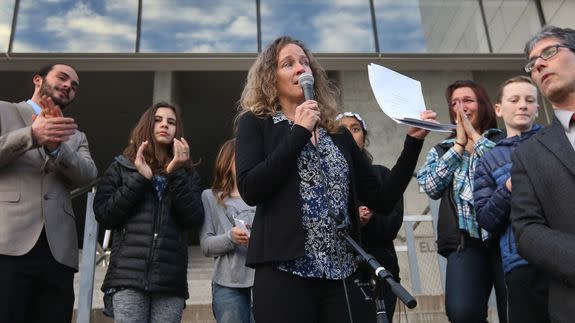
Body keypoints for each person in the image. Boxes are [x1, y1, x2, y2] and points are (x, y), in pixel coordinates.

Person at [235, 35, 435, 323]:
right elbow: (251, 188)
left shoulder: (338, 135)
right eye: (288, 64)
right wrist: (300, 132)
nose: (300, 68)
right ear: (270, 77)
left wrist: (413, 143)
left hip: (342, 273)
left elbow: (383, 197)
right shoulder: (256, 124)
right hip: (284, 272)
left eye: (305, 62)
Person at [0, 63, 97, 322]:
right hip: (8, 244)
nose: (68, 86)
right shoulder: (4, 111)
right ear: (37, 80)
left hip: (57, 252)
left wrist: (57, 149)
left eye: (74, 86)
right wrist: (31, 135)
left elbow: (88, 175)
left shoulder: (76, 136)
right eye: (63, 78)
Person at [93, 102, 204, 323]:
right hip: (127, 276)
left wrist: (175, 172)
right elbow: (105, 214)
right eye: (158, 120)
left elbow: (193, 218)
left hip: (169, 280)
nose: (165, 125)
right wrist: (139, 178)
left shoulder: (187, 174)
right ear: (146, 125)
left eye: (171, 122)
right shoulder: (122, 167)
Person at [417, 80, 507, 323]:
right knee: (462, 313)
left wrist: (475, 138)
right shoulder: (441, 149)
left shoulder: (502, 141)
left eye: (467, 100)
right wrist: (458, 146)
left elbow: (506, 170)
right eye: (454, 103)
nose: (460, 107)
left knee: (515, 311)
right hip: (464, 242)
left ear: (483, 105)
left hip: (505, 240)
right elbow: (429, 186)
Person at [511, 25, 575, 323]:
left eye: (549, 52)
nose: (538, 64)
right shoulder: (529, 153)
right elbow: (527, 230)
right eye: (532, 63)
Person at [474, 76, 549, 323]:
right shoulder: (488, 160)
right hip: (520, 261)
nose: (522, 105)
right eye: (514, 100)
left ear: (538, 107)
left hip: (567, 255)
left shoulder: (556, 142)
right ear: (498, 108)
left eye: (530, 100)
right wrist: (508, 187)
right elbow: (485, 219)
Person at [335, 111, 405, 323]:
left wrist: (368, 220)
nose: (349, 134)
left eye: (355, 129)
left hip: (380, 270)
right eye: (342, 130)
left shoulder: (381, 174)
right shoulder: (325, 179)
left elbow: (391, 224)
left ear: (364, 138)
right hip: (340, 275)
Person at [200, 138, 256, 323]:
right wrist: (231, 237)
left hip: (263, 282)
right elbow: (206, 246)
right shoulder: (211, 197)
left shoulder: (265, 195)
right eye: (241, 157)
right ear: (226, 161)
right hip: (227, 285)